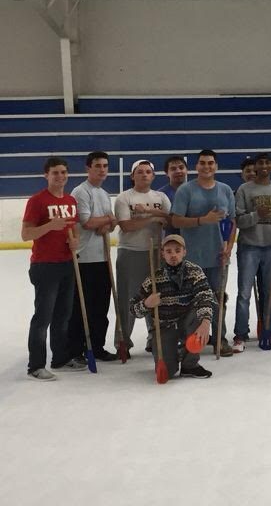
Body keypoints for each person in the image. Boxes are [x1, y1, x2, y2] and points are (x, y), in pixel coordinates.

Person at [170, 149, 236, 358]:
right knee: (190, 300)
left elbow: (232, 222)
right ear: (196, 166)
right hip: (192, 259)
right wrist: (202, 220)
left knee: (217, 299)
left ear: (216, 166)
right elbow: (175, 220)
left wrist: (229, 247)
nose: (206, 166)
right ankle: (189, 340)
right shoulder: (185, 190)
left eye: (210, 163)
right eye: (202, 163)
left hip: (218, 257)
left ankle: (219, 338)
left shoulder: (225, 190)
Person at [23, 157, 80, 380]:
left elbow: (74, 229)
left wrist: (75, 241)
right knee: (43, 318)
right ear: (46, 175)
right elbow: (26, 234)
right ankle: (35, 366)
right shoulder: (37, 201)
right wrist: (49, 226)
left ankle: (60, 359)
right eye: (55, 172)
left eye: (63, 172)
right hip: (45, 266)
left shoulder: (70, 200)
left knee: (63, 316)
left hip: (67, 264)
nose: (60, 176)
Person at [130, 234, 215, 379]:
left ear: (184, 252)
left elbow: (205, 296)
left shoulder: (195, 272)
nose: (173, 255)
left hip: (188, 321)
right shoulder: (153, 279)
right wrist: (146, 304)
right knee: (167, 372)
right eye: (168, 251)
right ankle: (174, 354)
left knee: (199, 314)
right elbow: (133, 309)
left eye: (177, 250)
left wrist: (206, 322)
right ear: (162, 254)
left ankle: (190, 365)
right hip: (165, 326)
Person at [233, 153, 271, 351]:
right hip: (249, 246)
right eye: (260, 163)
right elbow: (239, 220)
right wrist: (257, 215)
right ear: (255, 166)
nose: (264, 166)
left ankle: (269, 332)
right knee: (244, 293)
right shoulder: (244, 189)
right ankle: (240, 335)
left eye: (268, 162)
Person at [114, 159, 171, 354]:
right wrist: (153, 218)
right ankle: (123, 342)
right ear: (132, 176)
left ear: (153, 176)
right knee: (128, 298)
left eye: (148, 172)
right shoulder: (124, 198)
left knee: (155, 296)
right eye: (140, 172)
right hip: (130, 252)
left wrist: (148, 214)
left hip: (156, 252)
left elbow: (170, 218)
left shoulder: (161, 196)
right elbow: (126, 226)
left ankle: (154, 338)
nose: (144, 175)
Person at [69, 151, 118, 363]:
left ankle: (97, 346)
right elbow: (88, 222)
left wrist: (107, 222)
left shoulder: (104, 194)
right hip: (83, 258)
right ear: (88, 168)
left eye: (105, 166)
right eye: (97, 165)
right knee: (81, 308)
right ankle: (76, 349)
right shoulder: (81, 191)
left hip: (102, 258)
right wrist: (108, 219)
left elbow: (110, 225)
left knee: (101, 307)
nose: (102, 169)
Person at [159, 155, 188, 237]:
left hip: (194, 239)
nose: (178, 171)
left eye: (181, 167)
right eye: (173, 169)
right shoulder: (160, 195)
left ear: (186, 170)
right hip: (171, 241)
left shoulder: (196, 191)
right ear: (166, 173)